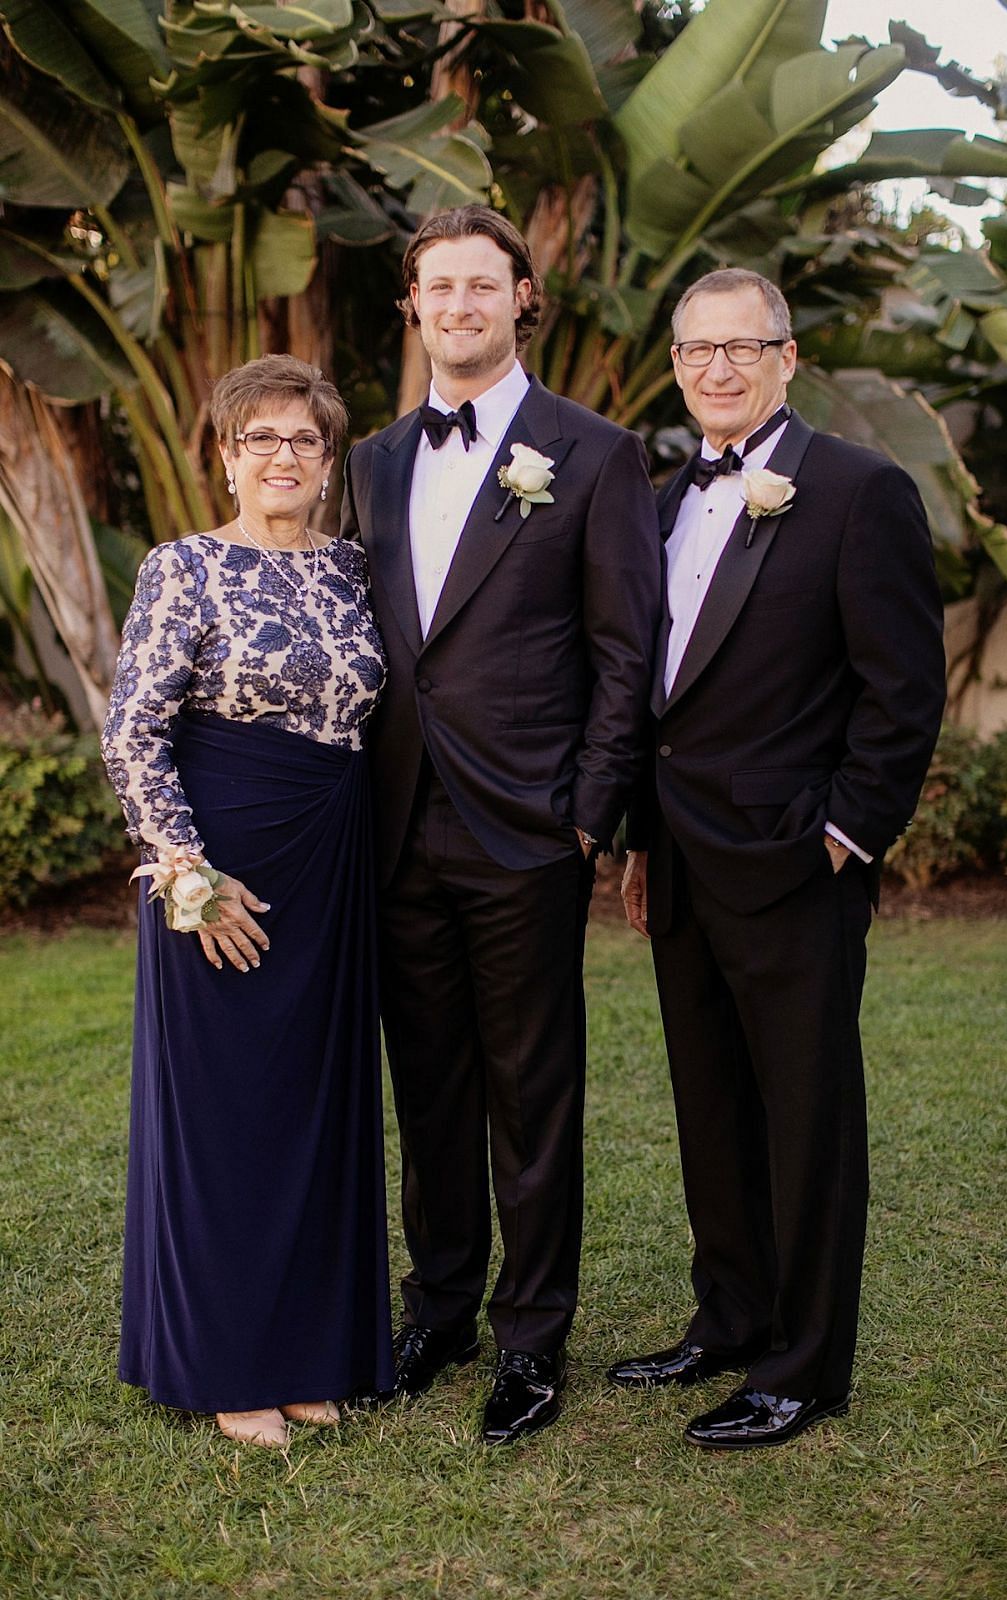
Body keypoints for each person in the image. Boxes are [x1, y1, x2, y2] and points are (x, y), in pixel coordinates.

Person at [340, 205, 661, 1444]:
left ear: (521, 298)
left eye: (484, 284)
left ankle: (532, 1337)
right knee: (427, 1085)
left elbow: (623, 652)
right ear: (413, 305)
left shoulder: (591, 452)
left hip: (527, 830)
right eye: (439, 286)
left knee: (532, 1089)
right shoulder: (370, 461)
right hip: (394, 825)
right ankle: (440, 1305)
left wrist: (589, 817)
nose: (460, 305)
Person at [609, 269, 945, 1450]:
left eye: (739, 348)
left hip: (797, 866)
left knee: (805, 1118)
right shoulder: (656, 500)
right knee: (709, 1106)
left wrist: (843, 835)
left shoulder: (859, 490)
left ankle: (803, 1365)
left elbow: (901, 693)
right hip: (683, 864)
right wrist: (641, 835)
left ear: (785, 357)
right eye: (694, 350)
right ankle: (729, 1316)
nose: (715, 369)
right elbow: (662, 694)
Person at [101, 354, 393, 1449]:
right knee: (227, 1120)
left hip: (331, 863)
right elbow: (133, 730)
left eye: (303, 441)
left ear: (326, 462)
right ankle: (227, 1364)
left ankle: (311, 1350)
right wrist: (187, 871)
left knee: (315, 1112)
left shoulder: (355, 570)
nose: (282, 457)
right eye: (259, 439)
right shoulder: (183, 568)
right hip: (222, 865)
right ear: (227, 457)